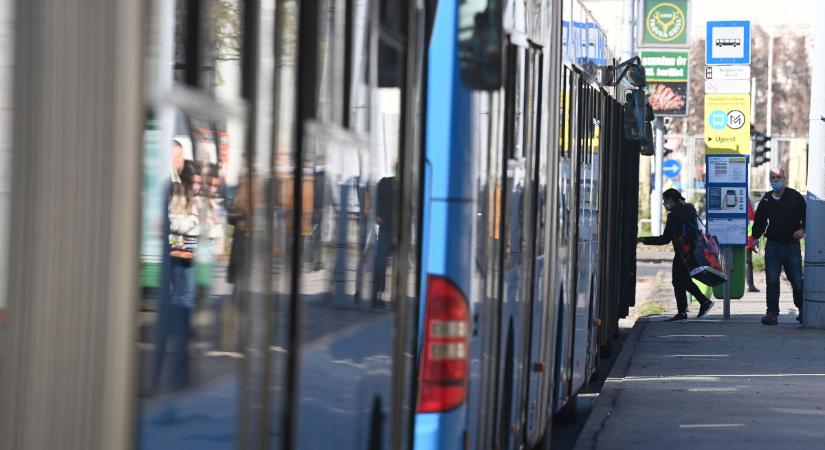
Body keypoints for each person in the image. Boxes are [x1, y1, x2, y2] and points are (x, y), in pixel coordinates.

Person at [637, 188, 715, 321]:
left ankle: (699, 303)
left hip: (682, 253)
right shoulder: (690, 209)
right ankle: (686, 310)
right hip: (693, 250)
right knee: (681, 281)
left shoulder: (673, 216)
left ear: (672, 199)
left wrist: (644, 239)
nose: (664, 204)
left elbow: (665, 239)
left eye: (665, 201)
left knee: (680, 281)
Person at [752, 167, 805, 325]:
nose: (775, 180)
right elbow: (760, 220)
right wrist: (755, 237)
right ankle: (772, 313)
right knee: (772, 281)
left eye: (778, 177)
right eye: (772, 177)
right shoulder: (767, 200)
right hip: (773, 246)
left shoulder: (795, 197)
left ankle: (803, 310)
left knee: (797, 281)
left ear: (784, 178)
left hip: (791, 246)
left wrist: (803, 229)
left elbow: (806, 216)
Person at [746, 197, 760, 293]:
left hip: (745, 237)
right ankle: (750, 285)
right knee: (748, 262)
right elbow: (751, 216)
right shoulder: (746, 199)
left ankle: (749, 285)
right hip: (747, 237)